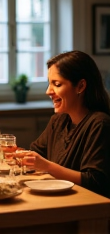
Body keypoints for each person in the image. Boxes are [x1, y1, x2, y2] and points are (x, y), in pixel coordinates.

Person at [28, 50, 110, 198]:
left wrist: (46, 166)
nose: (48, 91)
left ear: (80, 86)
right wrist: (17, 155)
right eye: (49, 83)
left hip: (86, 210)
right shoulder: (58, 121)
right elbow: (37, 153)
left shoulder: (99, 124)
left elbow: (95, 182)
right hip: (59, 200)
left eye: (57, 84)